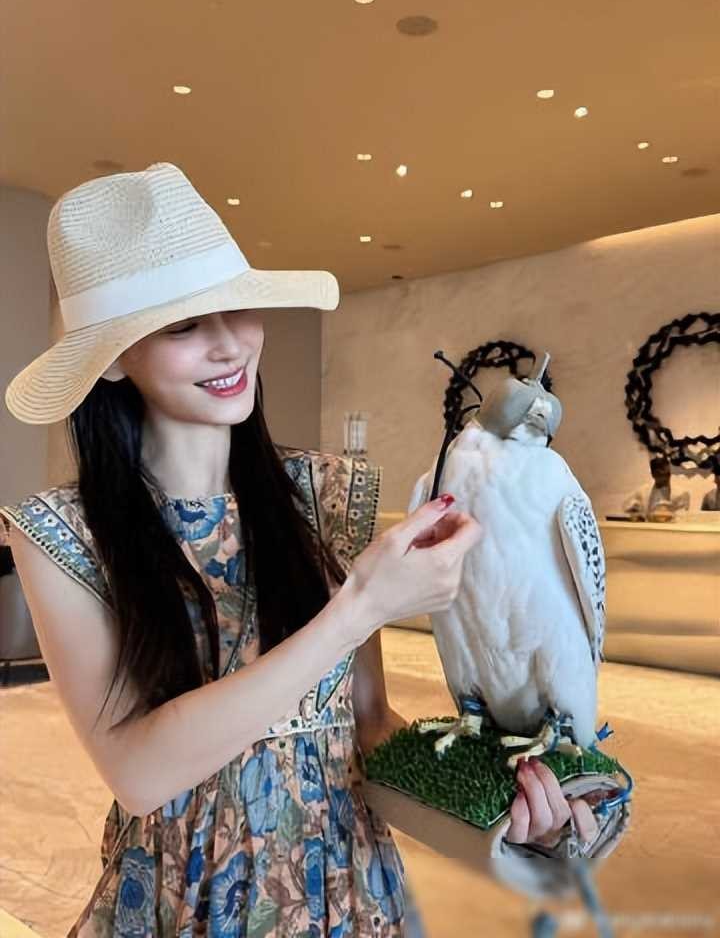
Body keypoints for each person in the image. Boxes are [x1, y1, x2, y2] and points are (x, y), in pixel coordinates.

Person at [1, 163, 600, 937]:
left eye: (237, 308)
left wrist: (504, 811)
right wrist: (360, 608)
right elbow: (138, 773)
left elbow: (368, 724)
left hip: (351, 893)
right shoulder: (59, 533)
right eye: (184, 327)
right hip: (189, 900)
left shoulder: (326, 496)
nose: (230, 345)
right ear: (111, 358)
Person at [623, 454, 690, 520]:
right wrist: (635, 509)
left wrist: (669, 515)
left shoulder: (681, 493)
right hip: (648, 525)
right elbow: (626, 506)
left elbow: (683, 517)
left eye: (667, 473)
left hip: (670, 525)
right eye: (660, 473)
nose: (665, 477)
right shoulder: (642, 491)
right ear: (653, 474)